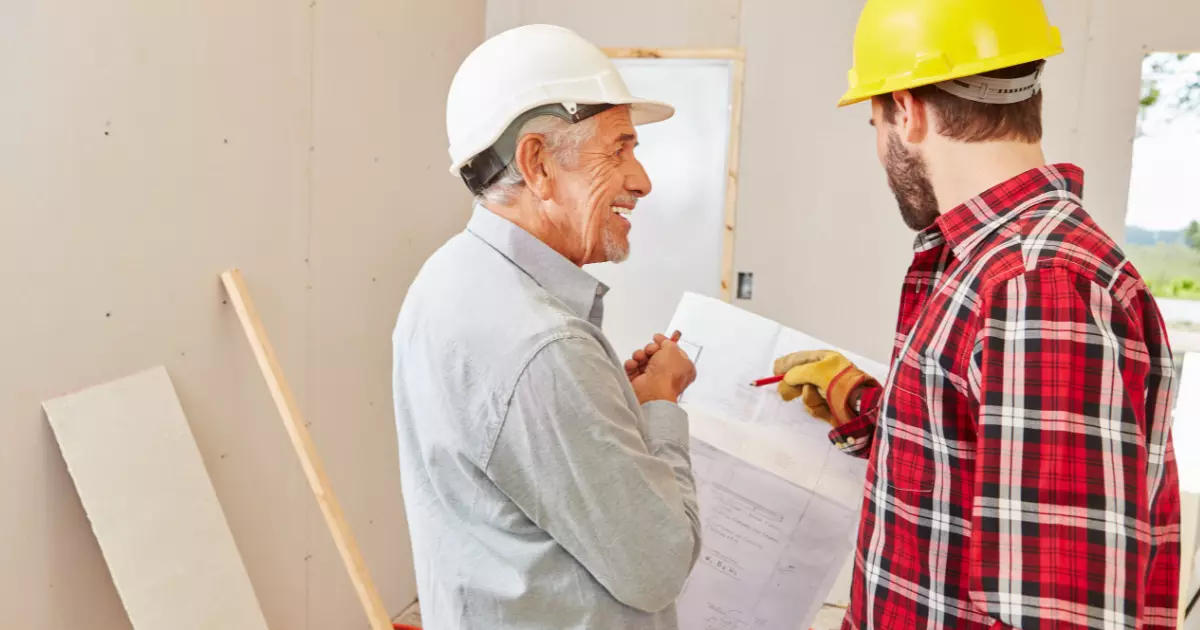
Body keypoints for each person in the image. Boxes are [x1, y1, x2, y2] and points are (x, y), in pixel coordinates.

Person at [774, 2, 1181, 628]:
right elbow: (986, 469)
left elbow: (1055, 611)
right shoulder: (990, 261)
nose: (879, 148)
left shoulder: (1033, 283)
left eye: (875, 122)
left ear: (906, 110)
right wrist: (865, 404)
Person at [391, 24, 701, 630]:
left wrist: (614, 403)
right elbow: (658, 564)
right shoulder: (545, 345)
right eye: (618, 149)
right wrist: (661, 407)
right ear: (537, 163)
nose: (641, 180)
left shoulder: (448, 278)